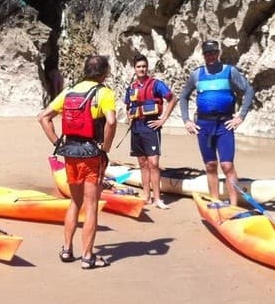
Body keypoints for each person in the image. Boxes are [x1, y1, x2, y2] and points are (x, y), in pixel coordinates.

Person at [37, 54, 117, 269]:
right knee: (91, 206)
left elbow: (43, 117)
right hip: (92, 154)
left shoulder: (69, 91)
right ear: (104, 72)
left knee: (75, 202)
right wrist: (106, 147)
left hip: (70, 153)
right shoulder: (104, 93)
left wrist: (58, 143)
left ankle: (66, 249)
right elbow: (111, 121)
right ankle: (88, 257)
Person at [178, 40, 254, 207]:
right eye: (207, 53)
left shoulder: (230, 71)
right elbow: (183, 97)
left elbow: (248, 91)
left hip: (224, 125)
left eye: (213, 53)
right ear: (203, 55)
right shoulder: (196, 75)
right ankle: (215, 201)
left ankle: (233, 205)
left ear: (218, 53)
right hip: (204, 125)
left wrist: (240, 116)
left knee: (227, 165)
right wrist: (186, 120)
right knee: (210, 165)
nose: (210, 56)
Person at [123, 54, 178, 209]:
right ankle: (146, 195)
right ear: (134, 68)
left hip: (150, 127)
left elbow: (173, 98)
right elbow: (128, 106)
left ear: (147, 67)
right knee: (142, 163)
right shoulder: (131, 87)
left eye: (144, 66)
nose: (142, 69)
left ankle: (157, 199)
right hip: (136, 128)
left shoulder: (156, 84)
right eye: (139, 66)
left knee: (153, 163)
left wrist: (163, 119)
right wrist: (130, 117)